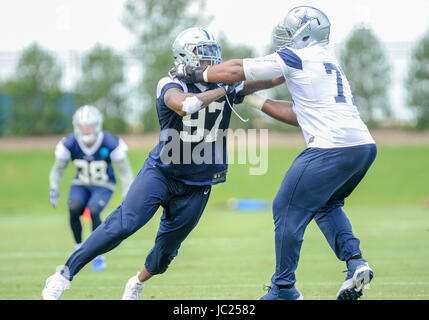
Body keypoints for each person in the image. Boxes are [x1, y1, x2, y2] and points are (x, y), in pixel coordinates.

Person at [42, 27, 284, 300]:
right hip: (162, 172)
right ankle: (63, 275)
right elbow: (185, 105)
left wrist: (291, 61)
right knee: (123, 224)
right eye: (203, 53)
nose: (211, 59)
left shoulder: (225, 84)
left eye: (212, 52)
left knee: (164, 255)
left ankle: (136, 282)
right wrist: (223, 90)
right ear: (185, 56)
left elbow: (273, 78)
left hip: (199, 182)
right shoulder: (171, 84)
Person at [170, 6, 377, 300]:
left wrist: (197, 72)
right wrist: (251, 98)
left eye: (291, 33)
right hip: (362, 146)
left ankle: (283, 289)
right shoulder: (328, 61)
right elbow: (299, 114)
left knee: (286, 207)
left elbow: (236, 70)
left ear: (305, 34)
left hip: (331, 147)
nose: (287, 38)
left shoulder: (297, 56)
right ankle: (356, 263)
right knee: (326, 205)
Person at [49, 105, 134, 272]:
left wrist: (128, 191)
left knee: (93, 210)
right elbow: (58, 168)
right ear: (76, 126)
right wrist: (53, 187)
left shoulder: (109, 142)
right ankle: (79, 248)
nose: (86, 130)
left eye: (89, 126)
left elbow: (124, 169)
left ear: (97, 125)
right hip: (81, 183)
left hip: (104, 185)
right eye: (83, 126)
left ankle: (98, 255)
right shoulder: (70, 143)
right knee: (73, 207)